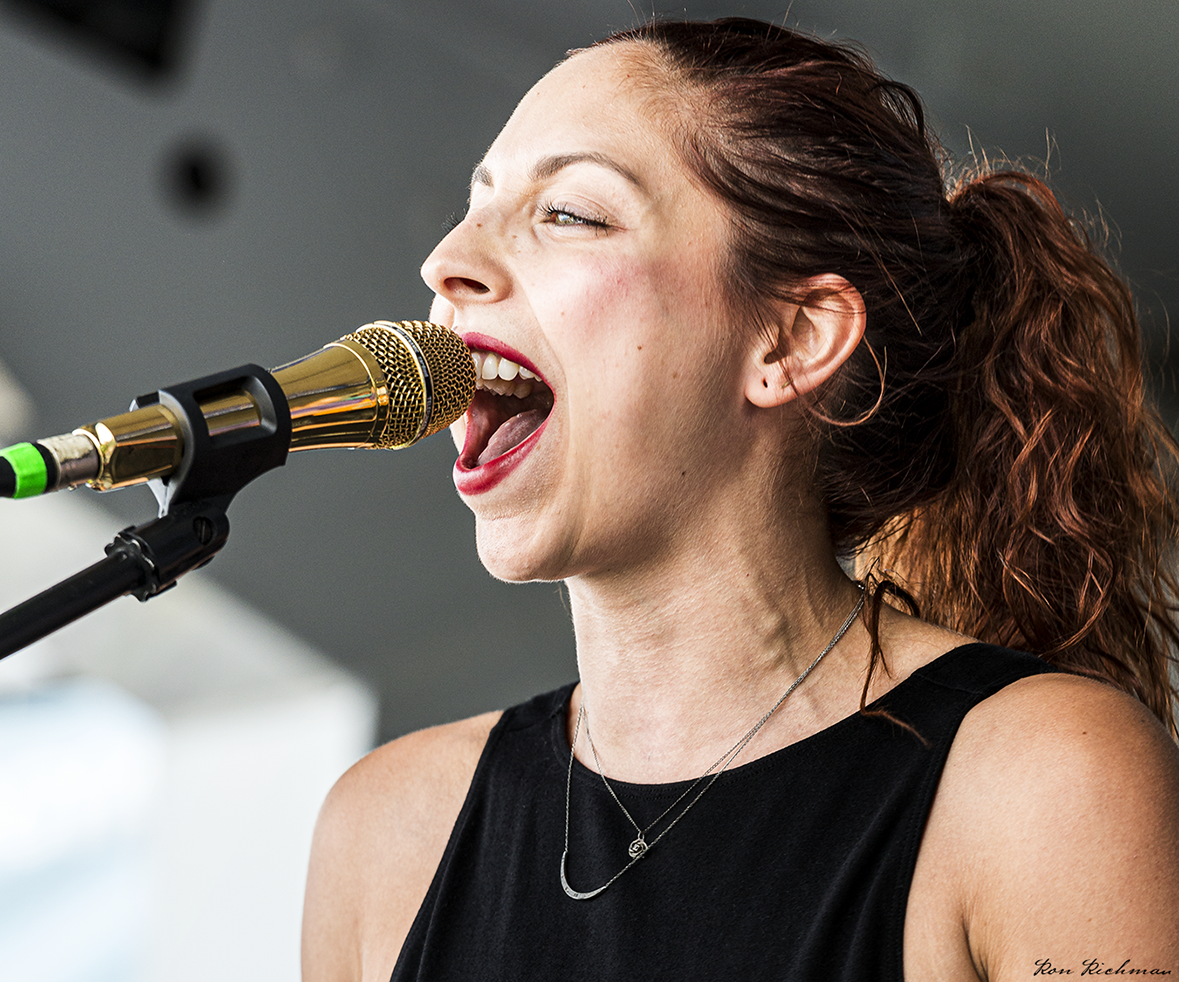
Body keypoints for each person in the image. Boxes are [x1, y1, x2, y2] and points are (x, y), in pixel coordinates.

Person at [302, 17, 1179, 981]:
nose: (444, 263)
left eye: (572, 213)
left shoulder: (1045, 785)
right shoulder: (384, 834)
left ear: (791, 342)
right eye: (477, 205)